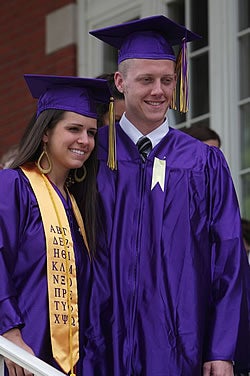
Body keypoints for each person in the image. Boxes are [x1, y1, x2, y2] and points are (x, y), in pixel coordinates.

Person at [82, 15, 250, 375]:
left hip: (180, 347)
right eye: (146, 80)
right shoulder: (90, 156)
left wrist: (221, 349)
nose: (159, 91)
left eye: (167, 80)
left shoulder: (203, 162)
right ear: (120, 82)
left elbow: (228, 258)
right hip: (98, 343)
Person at [0, 74, 110, 376]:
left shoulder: (79, 207)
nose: (84, 141)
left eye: (91, 132)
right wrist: (9, 332)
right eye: (73, 129)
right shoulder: (13, 186)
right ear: (46, 132)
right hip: (24, 356)